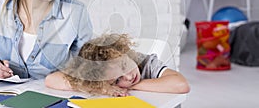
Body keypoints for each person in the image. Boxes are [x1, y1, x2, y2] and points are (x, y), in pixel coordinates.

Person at [45, 33, 190, 97]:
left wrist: (131, 86)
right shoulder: (101, 82)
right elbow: (51, 79)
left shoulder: (146, 63)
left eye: (124, 66)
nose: (128, 76)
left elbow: (181, 85)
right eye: (117, 80)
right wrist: (102, 88)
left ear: (124, 52)